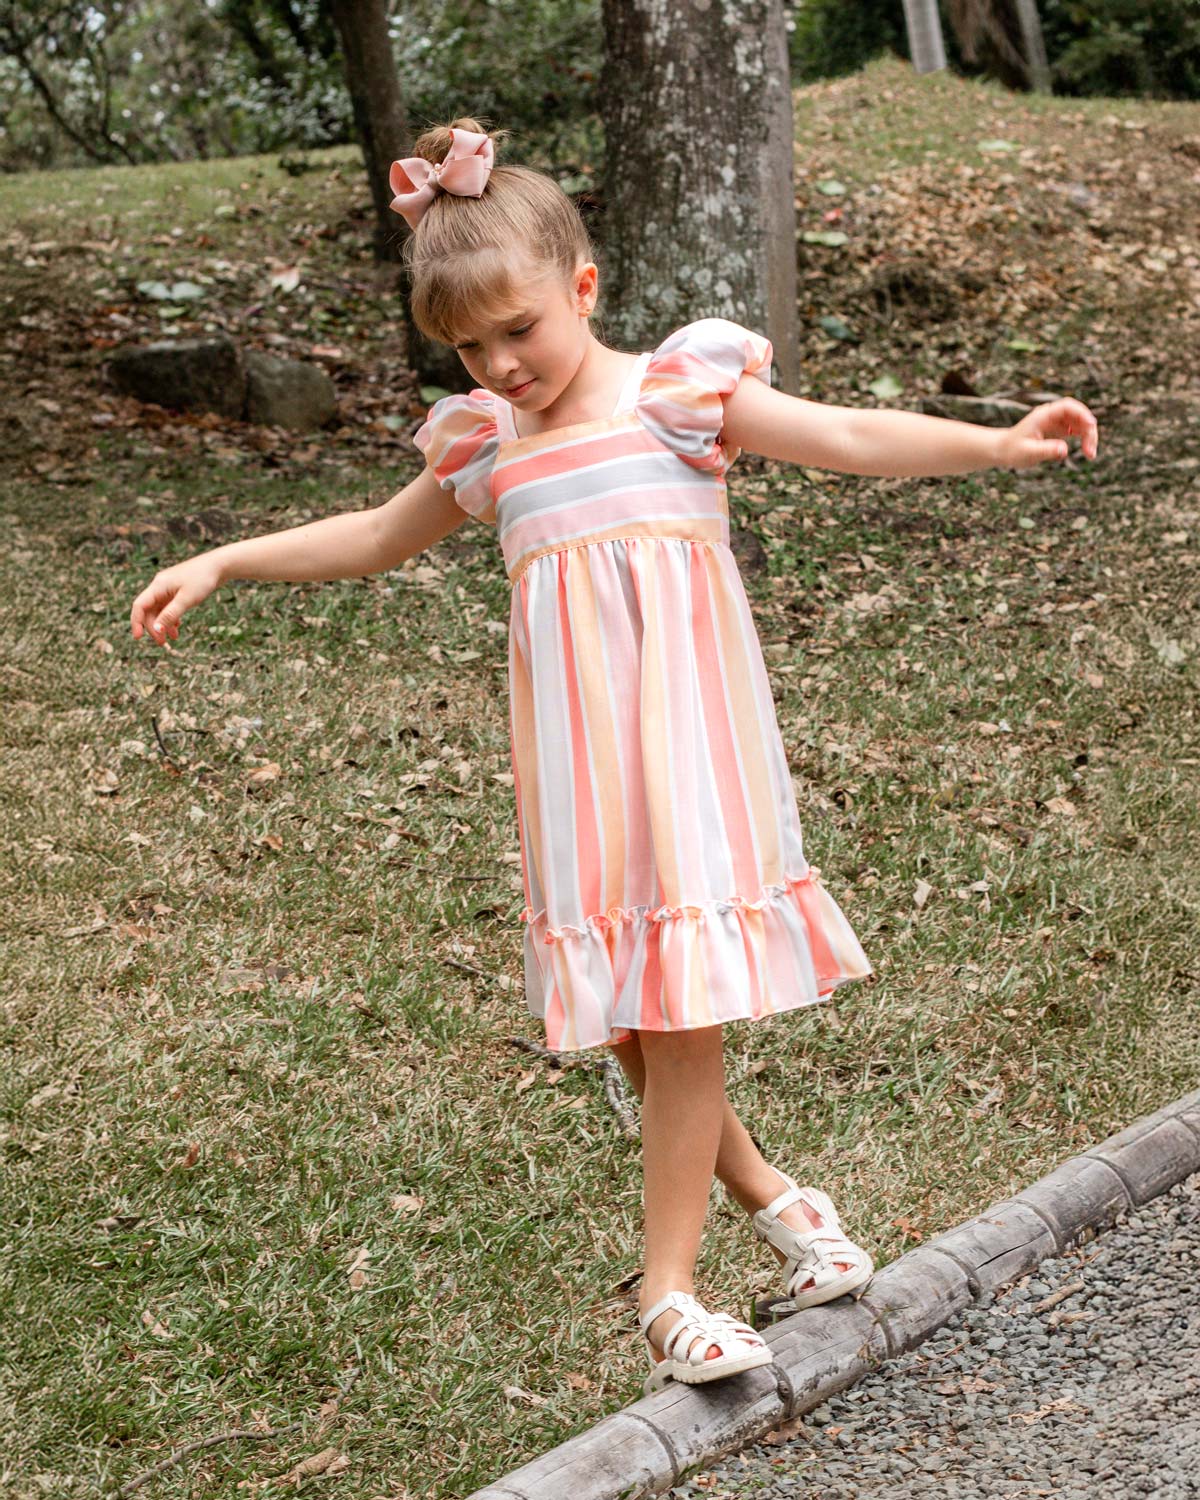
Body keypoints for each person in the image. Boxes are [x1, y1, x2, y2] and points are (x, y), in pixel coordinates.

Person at [130, 118, 1100, 1400]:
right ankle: (787, 1210)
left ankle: (667, 1294)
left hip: (688, 751)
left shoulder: (680, 398)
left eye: (519, 329)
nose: (498, 362)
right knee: (630, 1017)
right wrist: (225, 558)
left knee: (675, 1013)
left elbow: (849, 437)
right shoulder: (488, 444)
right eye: (469, 346)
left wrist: (995, 442)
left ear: (582, 291)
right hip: (577, 767)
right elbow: (371, 535)